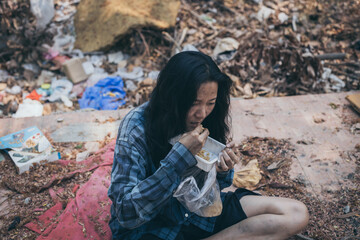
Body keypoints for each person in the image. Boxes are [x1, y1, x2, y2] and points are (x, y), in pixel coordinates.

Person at [108, 51, 309, 240]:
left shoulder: (208, 119)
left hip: (196, 214)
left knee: (295, 214)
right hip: (152, 227)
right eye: (194, 102)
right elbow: (126, 214)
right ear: (171, 98)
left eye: (210, 102)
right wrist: (179, 158)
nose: (202, 113)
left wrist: (221, 171)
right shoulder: (136, 128)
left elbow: (208, 191)